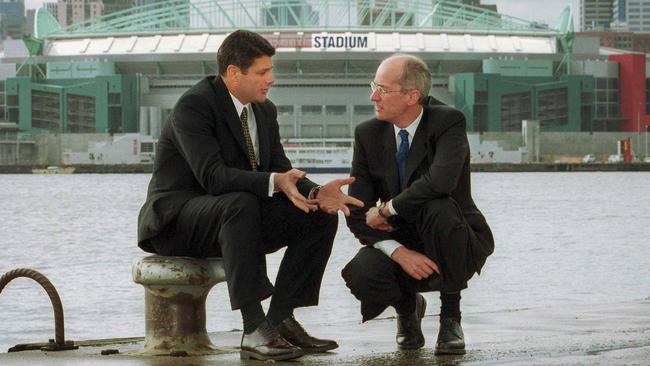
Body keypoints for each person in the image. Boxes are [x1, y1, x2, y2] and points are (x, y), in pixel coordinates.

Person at [137, 29, 363, 361]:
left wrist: (316, 191)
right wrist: (274, 181)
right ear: (233, 73)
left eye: (271, 70)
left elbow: (280, 169)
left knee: (316, 214)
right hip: (178, 222)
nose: (271, 79)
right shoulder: (194, 106)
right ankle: (253, 327)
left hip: (235, 221)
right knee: (239, 204)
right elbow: (212, 177)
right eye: (262, 72)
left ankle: (280, 318)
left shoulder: (263, 111)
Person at [341, 54, 494, 355]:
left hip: (452, 233)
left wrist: (385, 210)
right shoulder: (367, 134)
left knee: (438, 207)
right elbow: (357, 210)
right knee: (360, 272)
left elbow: (440, 183)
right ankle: (408, 308)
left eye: (382, 89)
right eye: (374, 86)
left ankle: (451, 316)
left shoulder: (448, 121)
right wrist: (398, 252)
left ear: (413, 96)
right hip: (402, 236)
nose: (373, 96)